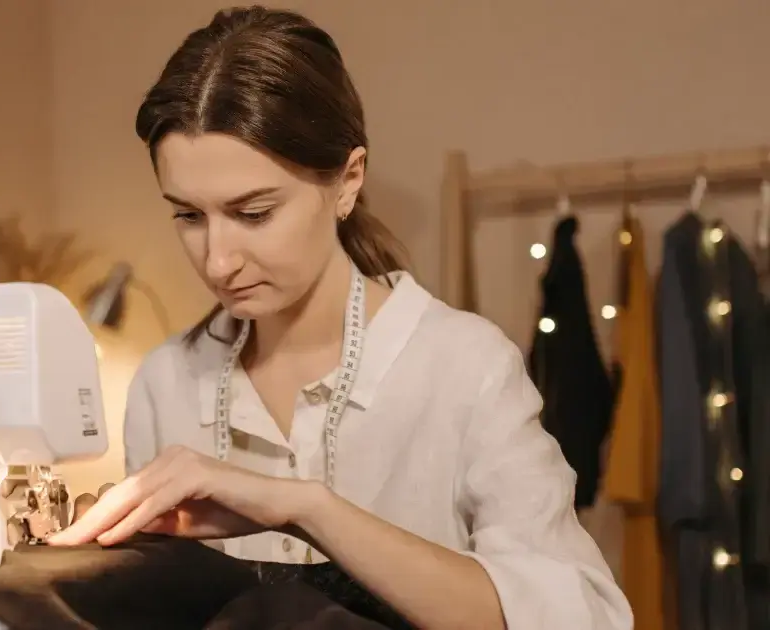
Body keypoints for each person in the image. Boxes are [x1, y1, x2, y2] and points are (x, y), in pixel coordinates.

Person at [48, 6, 633, 629]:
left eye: (253, 213)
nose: (218, 262)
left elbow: (581, 617)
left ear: (348, 180)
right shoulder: (166, 384)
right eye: (188, 216)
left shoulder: (464, 367)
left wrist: (305, 509)